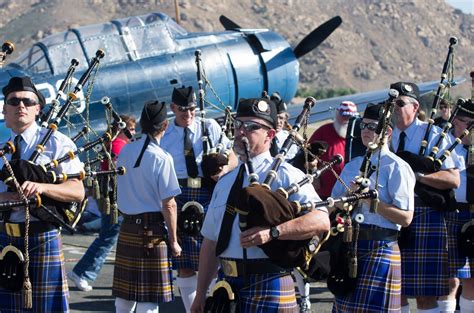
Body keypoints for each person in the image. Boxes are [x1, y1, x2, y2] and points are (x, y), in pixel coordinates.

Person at [190, 97, 330, 313]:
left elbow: (321, 220)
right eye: (238, 125)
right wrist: (200, 295)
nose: (241, 131)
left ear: (270, 135)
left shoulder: (287, 176)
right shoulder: (224, 182)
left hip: (270, 282)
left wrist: (274, 232)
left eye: (252, 126)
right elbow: (210, 243)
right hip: (226, 286)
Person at [0, 76, 85, 311]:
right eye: (14, 101)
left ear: (37, 108)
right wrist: (6, 198)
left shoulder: (57, 143)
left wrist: (42, 187)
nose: (21, 106)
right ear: (5, 109)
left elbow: (77, 191)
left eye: (28, 101)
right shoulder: (3, 150)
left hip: (42, 238)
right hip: (6, 241)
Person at [331, 102, 415, 312]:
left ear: (386, 131)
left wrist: (371, 202)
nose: (365, 131)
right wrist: (348, 197)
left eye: (371, 127)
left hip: (381, 248)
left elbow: (406, 218)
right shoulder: (352, 166)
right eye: (363, 126)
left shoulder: (397, 167)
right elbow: (333, 205)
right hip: (350, 247)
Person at [161, 86, 236, 312]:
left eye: (192, 109)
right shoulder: (165, 134)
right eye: (183, 110)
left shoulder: (209, 127)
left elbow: (232, 155)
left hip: (207, 193)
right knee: (183, 263)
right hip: (179, 196)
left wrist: (223, 172)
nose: (189, 114)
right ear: (173, 108)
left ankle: (210, 306)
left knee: (211, 257)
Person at [390, 81, 460, 313]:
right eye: (391, 102)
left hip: (424, 214)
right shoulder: (384, 136)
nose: (393, 107)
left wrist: (417, 177)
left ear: (414, 106)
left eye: (399, 103)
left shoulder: (433, 135)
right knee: (393, 291)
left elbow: (453, 180)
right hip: (390, 215)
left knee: (424, 294)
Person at [112, 100, 181, 313]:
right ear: (165, 126)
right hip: (152, 231)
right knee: (148, 300)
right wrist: (174, 240)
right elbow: (169, 204)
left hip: (128, 227)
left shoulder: (125, 151)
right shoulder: (162, 158)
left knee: (125, 296)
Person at [68, 115, 136, 292]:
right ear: (122, 129)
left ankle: (85, 272)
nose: (134, 132)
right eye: (132, 129)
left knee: (111, 237)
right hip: (116, 199)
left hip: (113, 198)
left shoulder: (114, 145)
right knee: (107, 238)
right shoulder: (119, 147)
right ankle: (82, 272)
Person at [438, 98, 474, 313]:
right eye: (462, 121)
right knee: (450, 280)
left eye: (470, 122)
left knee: (473, 281)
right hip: (452, 215)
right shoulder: (445, 148)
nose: (466, 127)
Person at [308, 101, 358, 199]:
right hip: (322, 193)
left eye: (349, 117)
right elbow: (308, 153)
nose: (345, 120)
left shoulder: (358, 135)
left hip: (348, 194)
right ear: (337, 114)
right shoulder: (324, 131)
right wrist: (313, 171)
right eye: (343, 116)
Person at [269, 92, 298, 160]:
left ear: (285, 119)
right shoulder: (261, 137)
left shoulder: (289, 139)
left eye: (281, 118)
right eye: (275, 118)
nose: (278, 121)